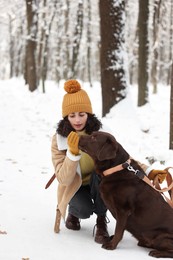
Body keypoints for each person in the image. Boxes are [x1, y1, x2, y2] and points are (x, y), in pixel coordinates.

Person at [51, 79, 167, 243]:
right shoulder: (59, 140)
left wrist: (149, 171)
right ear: (66, 117)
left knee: (103, 180)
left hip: (97, 181)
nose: (77, 120)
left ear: (89, 114)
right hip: (74, 185)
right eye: (72, 115)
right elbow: (63, 179)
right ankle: (74, 213)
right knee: (84, 210)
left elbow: (123, 159)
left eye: (82, 114)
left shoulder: (102, 134)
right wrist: (72, 154)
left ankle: (100, 221)